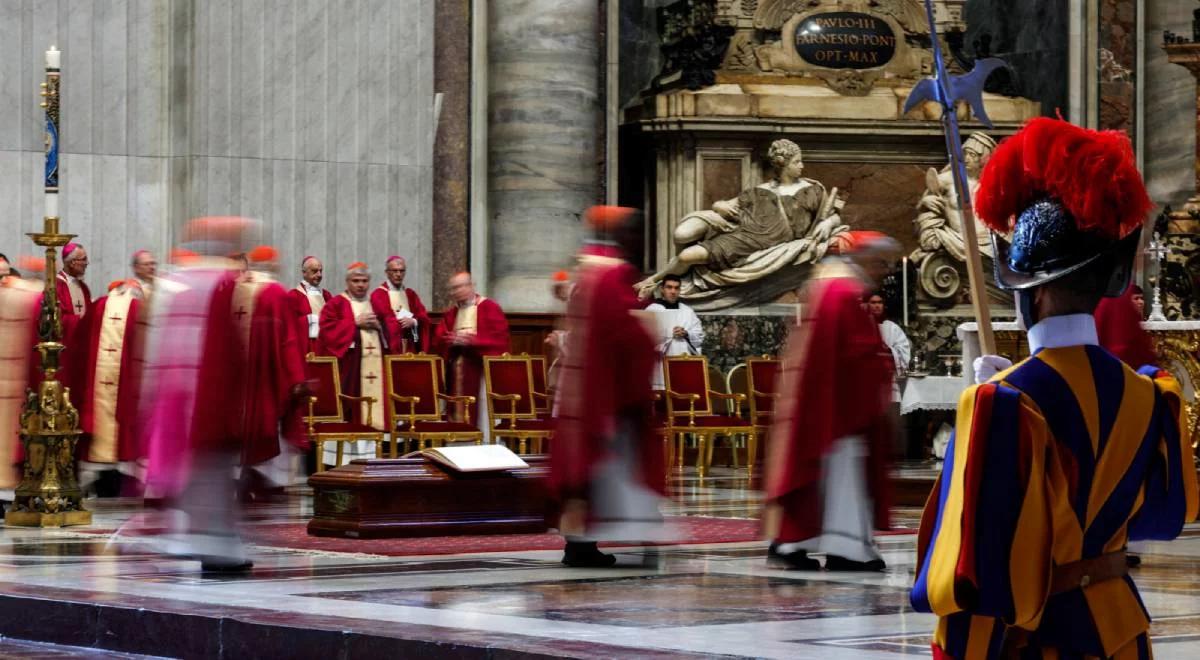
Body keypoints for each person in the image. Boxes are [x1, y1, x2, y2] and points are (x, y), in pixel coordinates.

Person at [912, 118, 1198, 658]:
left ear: (1031, 296)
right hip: (1120, 632)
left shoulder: (1001, 403)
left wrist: (987, 411)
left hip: (1039, 639)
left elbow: (975, 571)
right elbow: (1163, 517)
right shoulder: (1149, 392)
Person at [765, 230, 898, 572]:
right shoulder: (843, 291)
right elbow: (857, 353)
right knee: (840, 478)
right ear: (864, 255)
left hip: (828, 403)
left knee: (825, 479)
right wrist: (881, 366)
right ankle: (845, 550)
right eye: (881, 261)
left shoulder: (832, 287)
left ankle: (795, 542)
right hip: (838, 408)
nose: (884, 270)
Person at [551, 206, 666, 567]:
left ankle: (580, 542)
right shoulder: (612, 274)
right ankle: (593, 543)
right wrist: (648, 333)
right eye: (635, 235)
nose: (638, 242)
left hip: (585, 389)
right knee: (611, 468)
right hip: (607, 394)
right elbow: (622, 331)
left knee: (590, 471)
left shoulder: (588, 271)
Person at [234, 246, 308, 500]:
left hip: (240, 375)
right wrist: (296, 376)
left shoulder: (237, 288)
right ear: (272, 265)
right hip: (269, 374)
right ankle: (266, 479)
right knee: (272, 424)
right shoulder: (274, 291)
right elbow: (287, 339)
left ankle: (246, 473)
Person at [74, 279, 144, 497]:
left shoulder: (98, 306)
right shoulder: (139, 308)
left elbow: (79, 344)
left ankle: (101, 479)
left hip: (95, 383)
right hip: (127, 383)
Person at [317, 263, 387, 465]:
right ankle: (341, 462)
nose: (360, 285)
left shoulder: (376, 303)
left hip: (375, 369)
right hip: (349, 369)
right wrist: (354, 323)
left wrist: (381, 327)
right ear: (347, 282)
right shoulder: (337, 303)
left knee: (372, 411)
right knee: (350, 411)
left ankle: (371, 459)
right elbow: (327, 331)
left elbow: (391, 331)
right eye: (356, 281)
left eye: (364, 281)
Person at [433, 272, 510, 442]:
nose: (458, 291)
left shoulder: (489, 307)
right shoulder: (452, 313)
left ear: (471, 285)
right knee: (458, 410)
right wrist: (450, 341)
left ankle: (486, 448)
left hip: (481, 373)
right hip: (457, 372)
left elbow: (500, 341)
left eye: (461, 286)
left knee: (481, 411)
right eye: (454, 288)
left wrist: (472, 341)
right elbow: (439, 339)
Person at [867, 293, 910, 457]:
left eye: (880, 302)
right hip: (867, 385)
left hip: (888, 383)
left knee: (888, 424)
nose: (877, 306)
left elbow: (904, 351)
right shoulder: (861, 326)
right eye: (873, 303)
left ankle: (890, 455)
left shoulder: (892, 328)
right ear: (867, 305)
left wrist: (888, 350)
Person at [644, 274, 704, 389]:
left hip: (682, 360)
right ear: (662, 289)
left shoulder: (687, 311)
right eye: (669, 287)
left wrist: (686, 333)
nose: (673, 291)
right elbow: (646, 338)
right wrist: (668, 335)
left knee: (682, 393)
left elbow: (699, 336)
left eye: (676, 288)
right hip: (660, 363)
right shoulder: (652, 310)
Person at [370, 255, 431, 354]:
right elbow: (384, 320)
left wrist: (414, 321)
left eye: (402, 271)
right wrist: (400, 324)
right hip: (389, 348)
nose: (398, 274)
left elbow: (423, 316)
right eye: (394, 271)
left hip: (411, 347)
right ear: (387, 273)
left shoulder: (410, 294)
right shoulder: (378, 294)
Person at [286, 256, 332, 354]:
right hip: (305, 349)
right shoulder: (294, 295)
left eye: (321, 271)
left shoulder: (327, 295)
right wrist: (310, 320)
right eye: (315, 271)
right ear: (304, 272)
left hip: (326, 347)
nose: (319, 274)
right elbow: (289, 326)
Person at [56, 242, 92, 349]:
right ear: (72, 262)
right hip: (64, 345)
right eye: (84, 259)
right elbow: (57, 319)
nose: (87, 263)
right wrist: (82, 320)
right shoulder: (57, 285)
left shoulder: (83, 287)